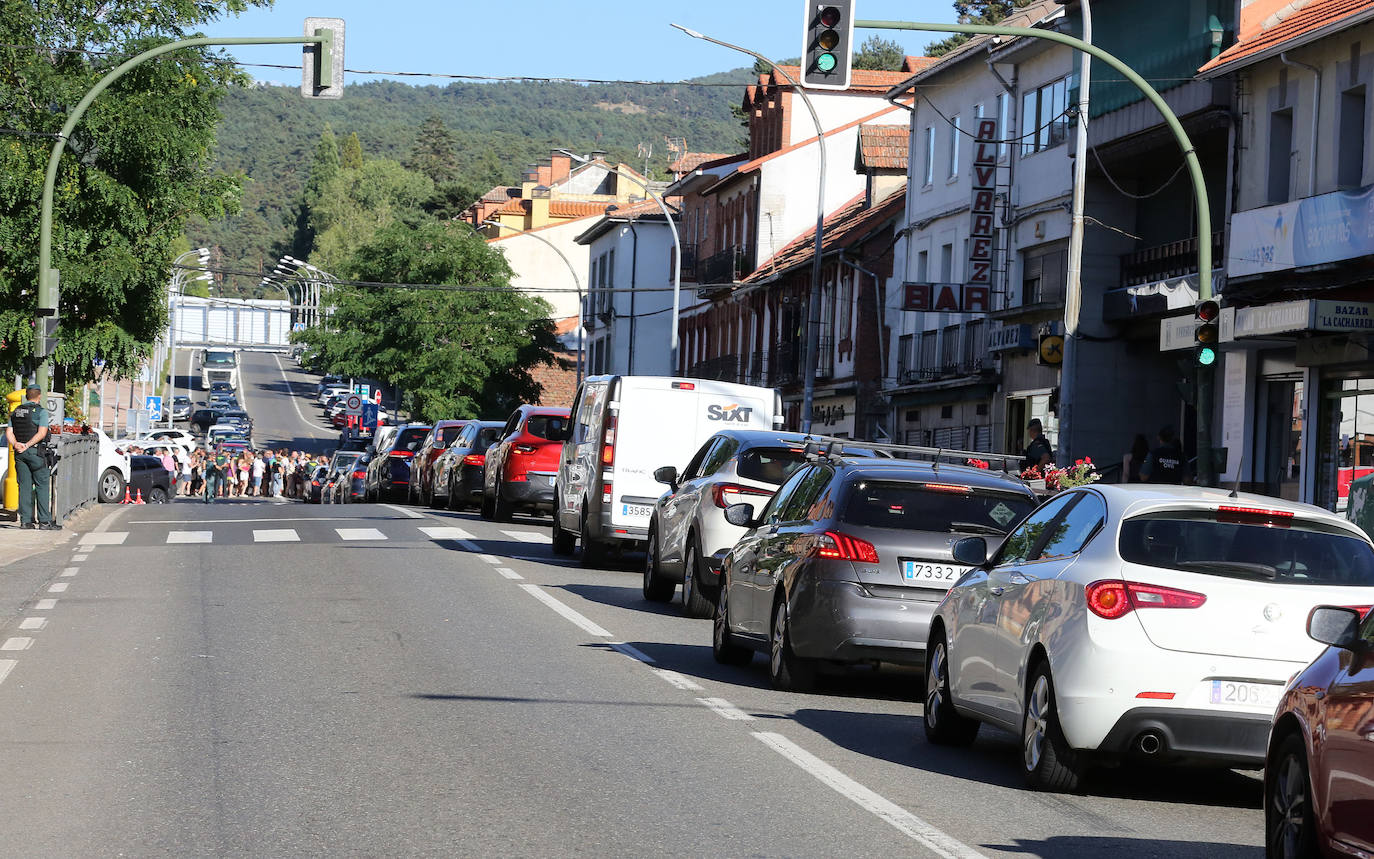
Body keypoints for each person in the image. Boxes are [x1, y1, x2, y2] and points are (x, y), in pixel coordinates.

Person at [5, 385, 58, 530]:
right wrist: (27, 445)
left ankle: (25, 521)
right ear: (39, 396)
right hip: (35, 453)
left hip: (19, 454)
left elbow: (9, 431)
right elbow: (41, 433)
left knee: (24, 486)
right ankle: (44, 521)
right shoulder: (41, 412)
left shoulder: (16, 411)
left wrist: (16, 444)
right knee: (42, 485)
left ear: (27, 395)